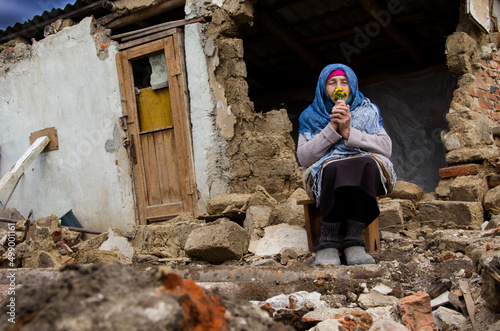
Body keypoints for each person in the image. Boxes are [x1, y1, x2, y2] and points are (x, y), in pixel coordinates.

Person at [297, 63, 396, 266]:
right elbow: (305, 158)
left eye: (344, 82)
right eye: (331, 82)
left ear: (352, 86)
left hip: (365, 166)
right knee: (335, 167)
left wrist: (349, 132)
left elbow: (386, 148)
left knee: (366, 164)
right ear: (323, 88)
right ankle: (328, 240)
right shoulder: (310, 115)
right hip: (327, 168)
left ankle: (354, 240)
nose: (338, 86)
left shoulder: (368, 111)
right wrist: (332, 127)